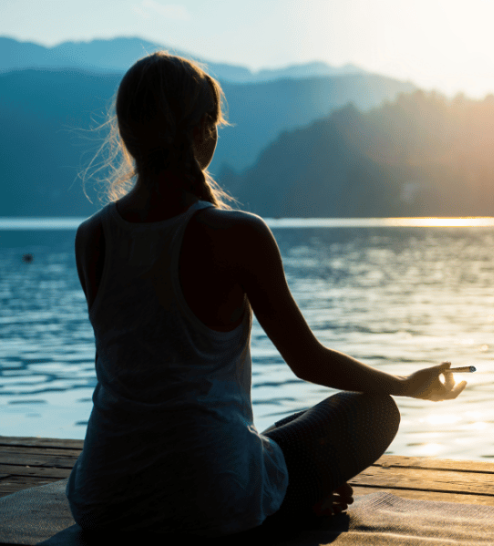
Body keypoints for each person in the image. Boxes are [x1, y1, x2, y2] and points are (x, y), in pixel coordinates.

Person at [66, 51, 467, 539]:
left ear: (128, 136)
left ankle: (288, 488)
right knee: (372, 409)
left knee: (282, 426)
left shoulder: (93, 237)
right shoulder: (237, 233)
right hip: (211, 500)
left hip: (103, 499)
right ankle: (292, 500)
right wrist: (407, 384)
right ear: (204, 132)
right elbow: (308, 362)